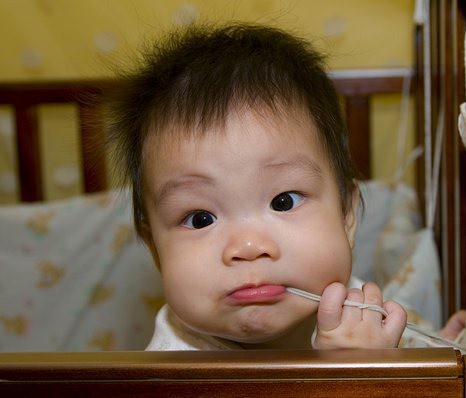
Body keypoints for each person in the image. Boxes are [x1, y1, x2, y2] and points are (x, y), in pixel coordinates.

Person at [105, 23, 408, 350]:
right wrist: (353, 379)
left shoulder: (358, 309)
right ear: (155, 249)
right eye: (200, 218)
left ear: (347, 214)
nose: (248, 247)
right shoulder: (170, 374)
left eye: (284, 201)